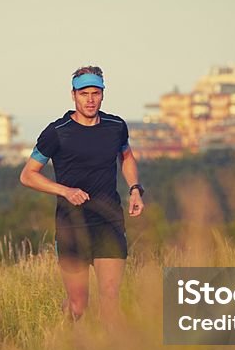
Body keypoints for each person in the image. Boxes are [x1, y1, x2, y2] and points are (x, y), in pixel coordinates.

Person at [19, 65, 145, 323]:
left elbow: (127, 156)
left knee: (110, 298)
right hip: (72, 226)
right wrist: (65, 191)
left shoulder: (115, 126)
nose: (90, 99)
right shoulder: (57, 132)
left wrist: (134, 189)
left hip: (109, 222)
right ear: (73, 95)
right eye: (84, 93)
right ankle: (62, 343)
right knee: (78, 307)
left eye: (95, 93)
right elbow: (28, 175)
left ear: (103, 94)